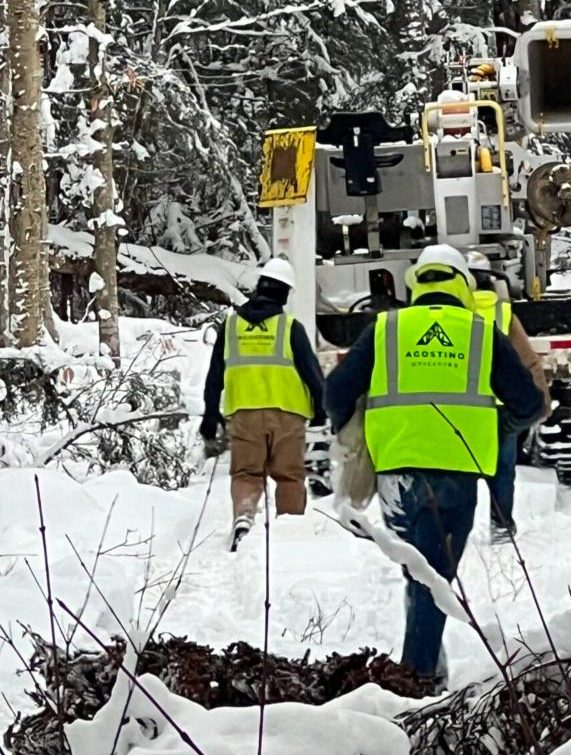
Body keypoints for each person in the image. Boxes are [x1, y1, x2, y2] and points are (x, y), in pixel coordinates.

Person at [324, 244, 543, 683]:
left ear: (416, 285)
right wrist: (497, 426)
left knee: (420, 572)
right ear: (463, 285)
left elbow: (335, 393)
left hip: (394, 477)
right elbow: (530, 404)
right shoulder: (480, 333)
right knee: (432, 579)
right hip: (453, 478)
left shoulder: (386, 328)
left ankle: (428, 671)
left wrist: (358, 426)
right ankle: (415, 680)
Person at [201, 257, 325, 551]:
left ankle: (244, 518)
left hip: (244, 414)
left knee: (246, 473)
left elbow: (215, 374)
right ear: (285, 293)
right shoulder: (290, 327)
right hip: (288, 415)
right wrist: (322, 410)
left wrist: (210, 412)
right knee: (289, 476)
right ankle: (290, 530)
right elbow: (312, 374)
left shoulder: (231, 326)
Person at [467, 251, 552, 542]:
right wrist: (540, 404)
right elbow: (529, 362)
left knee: (456, 470)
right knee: (503, 472)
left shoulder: (452, 313)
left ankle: (453, 526)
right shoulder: (503, 313)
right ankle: (502, 525)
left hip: (461, 407)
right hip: (500, 410)